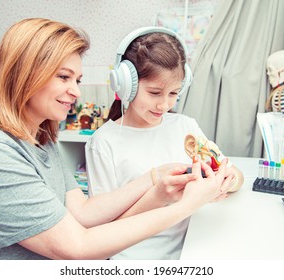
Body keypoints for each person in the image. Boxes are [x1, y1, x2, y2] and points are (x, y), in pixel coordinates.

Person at [0, 18, 234, 260]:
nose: (76, 92)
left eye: (77, 80)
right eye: (64, 77)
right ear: (24, 74)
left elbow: (81, 212)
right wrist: (187, 205)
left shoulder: (39, 137)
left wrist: (154, 178)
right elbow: (77, 247)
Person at [85, 27, 244, 260]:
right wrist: (158, 198)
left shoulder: (185, 126)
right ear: (125, 85)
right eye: (155, 92)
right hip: (136, 259)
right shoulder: (103, 142)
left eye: (173, 94)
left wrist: (228, 181)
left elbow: (232, 172)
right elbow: (103, 230)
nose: (164, 105)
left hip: (192, 249)